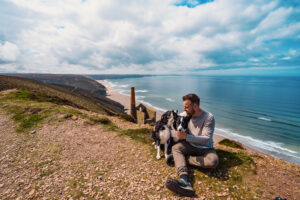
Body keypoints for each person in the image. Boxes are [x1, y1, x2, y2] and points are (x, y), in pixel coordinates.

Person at [165, 93, 219, 197]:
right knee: (175, 148)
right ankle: (184, 180)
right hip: (189, 145)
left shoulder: (208, 117)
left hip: (205, 148)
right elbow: (174, 122)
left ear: (195, 106)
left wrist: (186, 137)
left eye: (186, 106)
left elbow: (207, 140)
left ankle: (183, 159)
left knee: (213, 161)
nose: (184, 109)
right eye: (184, 106)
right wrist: (176, 129)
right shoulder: (184, 115)